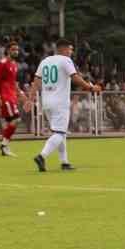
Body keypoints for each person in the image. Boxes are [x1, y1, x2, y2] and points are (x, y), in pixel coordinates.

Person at [26, 38, 101, 172]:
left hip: (46, 101)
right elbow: (75, 77)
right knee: (59, 133)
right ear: (63, 49)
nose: (71, 52)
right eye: (70, 49)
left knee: (60, 132)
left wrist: (30, 99)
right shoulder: (65, 60)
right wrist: (90, 88)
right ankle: (42, 156)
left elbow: (36, 81)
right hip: (60, 102)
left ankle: (64, 162)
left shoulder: (45, 61)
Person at [0, 39, 22, 157]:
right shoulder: (2, 62)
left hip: (12, 96)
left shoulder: (14, 65)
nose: (16, 51)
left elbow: (13, 82)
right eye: (13, 49)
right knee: (16, 119)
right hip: (6, 96)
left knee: (12, 122)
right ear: (8, 51)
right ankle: (4, 145)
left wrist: (20, 92)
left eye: (17, 49)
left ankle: (4, 147)